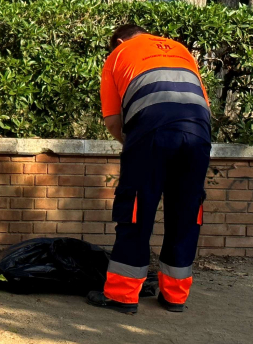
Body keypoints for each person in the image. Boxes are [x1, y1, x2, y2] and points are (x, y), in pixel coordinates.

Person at [88, 23, 212, 315]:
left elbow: (113, 121)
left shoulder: (118, 55)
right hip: (198, 133)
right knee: (186, 212)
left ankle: (122, 295)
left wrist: (132, 144)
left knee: (136, 210)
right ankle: (175, 296)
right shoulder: (181, 50)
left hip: (152, 131)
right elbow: (203, 104)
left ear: (119, 40)